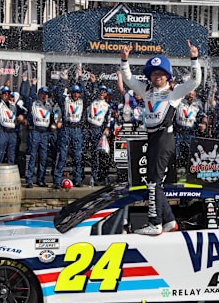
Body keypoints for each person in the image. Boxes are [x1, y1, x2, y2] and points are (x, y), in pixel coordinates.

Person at [119, 40, 201, 235]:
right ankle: (169, 221)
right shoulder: (145, 91)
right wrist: (124, 60)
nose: (157, 76)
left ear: (167, 75)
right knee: (153, 181)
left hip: (165, 138)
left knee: (153, 182)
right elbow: (129, 79)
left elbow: (195, 82)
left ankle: (154, 223)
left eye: (161, 72)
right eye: (154, 72)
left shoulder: (174, 92)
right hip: (152, 138)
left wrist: (194, 59)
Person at [52, 67, 86, 189]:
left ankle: (77, 180)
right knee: (62, 155)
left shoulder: (82, 101)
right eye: (74, 92)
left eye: (77, 93)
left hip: (77, 129)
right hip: (66, 128)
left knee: (77, 156)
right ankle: (56, 180)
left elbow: (88, 94)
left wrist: (81, 77)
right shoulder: (65, 100)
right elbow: (57, 93)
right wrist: (62, 79)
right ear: (71, 93)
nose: (76, 94)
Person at [20, 76, 55, 188]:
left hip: (45, 133)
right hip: (34, 132)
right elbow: (25, 95)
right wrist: (29, 83)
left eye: (46, 94)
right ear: (38, 94)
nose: (44, 96)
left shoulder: (50, 106)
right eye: (42, 94)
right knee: (31, 155)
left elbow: (53, 119)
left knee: (43, 157)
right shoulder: (33, 103)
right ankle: (29, 180)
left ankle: (41, 179)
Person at [0, 74, 23, 164]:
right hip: (2, 132)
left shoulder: (14, 105)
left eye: (8, 94)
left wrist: (22, 116)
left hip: (12, 132)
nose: (6, 95)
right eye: (4, 94)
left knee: (11, 155)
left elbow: (23, 112)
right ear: (0, 95)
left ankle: (10, 176)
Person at [84, 77, 111, 187]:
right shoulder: (92, 100)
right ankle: (80, 175)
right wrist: (94, 82)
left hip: (97, 130)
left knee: (96, 154)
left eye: (104, 92)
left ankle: (94, 175)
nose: (101, 94)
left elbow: (108, 119)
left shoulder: (107, 106)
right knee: (83, 152)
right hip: (88, 128)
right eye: (100, 91)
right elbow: (90, 92)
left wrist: (107, 128)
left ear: (106, 94)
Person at [174, 90, 207, 166]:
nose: (191, 96)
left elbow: (204, 117)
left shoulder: (197, 106)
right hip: (178, 133)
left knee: (190, 155)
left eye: (193, 95)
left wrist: (204, 124)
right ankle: (174, 172)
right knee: (175, 154)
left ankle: (187, 173)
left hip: (190, 134)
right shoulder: (179, 103)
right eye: (189, 94)